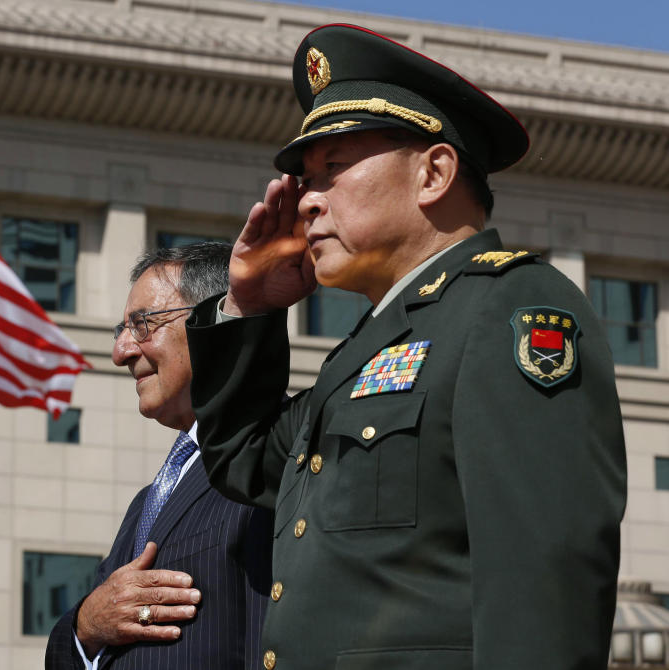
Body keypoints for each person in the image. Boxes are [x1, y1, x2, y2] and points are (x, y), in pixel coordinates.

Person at [185, 24, 627, 670]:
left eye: (332, 168)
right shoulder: (365, 352)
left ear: (434, 173)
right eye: (304, 180)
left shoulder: (509, 309)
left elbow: (543, 586)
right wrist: (248, 308)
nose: (306, 201)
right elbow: (244, 458)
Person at [45, 242, 273, 670]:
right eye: (122, 330)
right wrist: (88, 624)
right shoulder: (146, 503)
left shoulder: (272, 455)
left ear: (216, 321)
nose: (121, 353)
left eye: (144, 324)